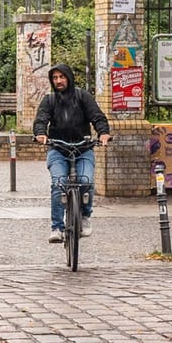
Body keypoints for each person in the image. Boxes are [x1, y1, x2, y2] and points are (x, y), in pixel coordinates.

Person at [32, 63, 112, 242]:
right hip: (58, 149)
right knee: (58, 184)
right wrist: (40, 133)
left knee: (86, 181)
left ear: (69, 77)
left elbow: (97, 116)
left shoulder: (83, 97)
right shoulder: (50, 100)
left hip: (83, 148)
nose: (58, 81)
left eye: (62, 77)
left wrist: (103, 133)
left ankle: (84, 216)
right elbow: (41, 119)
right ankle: (57, 228)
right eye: (55, 78)